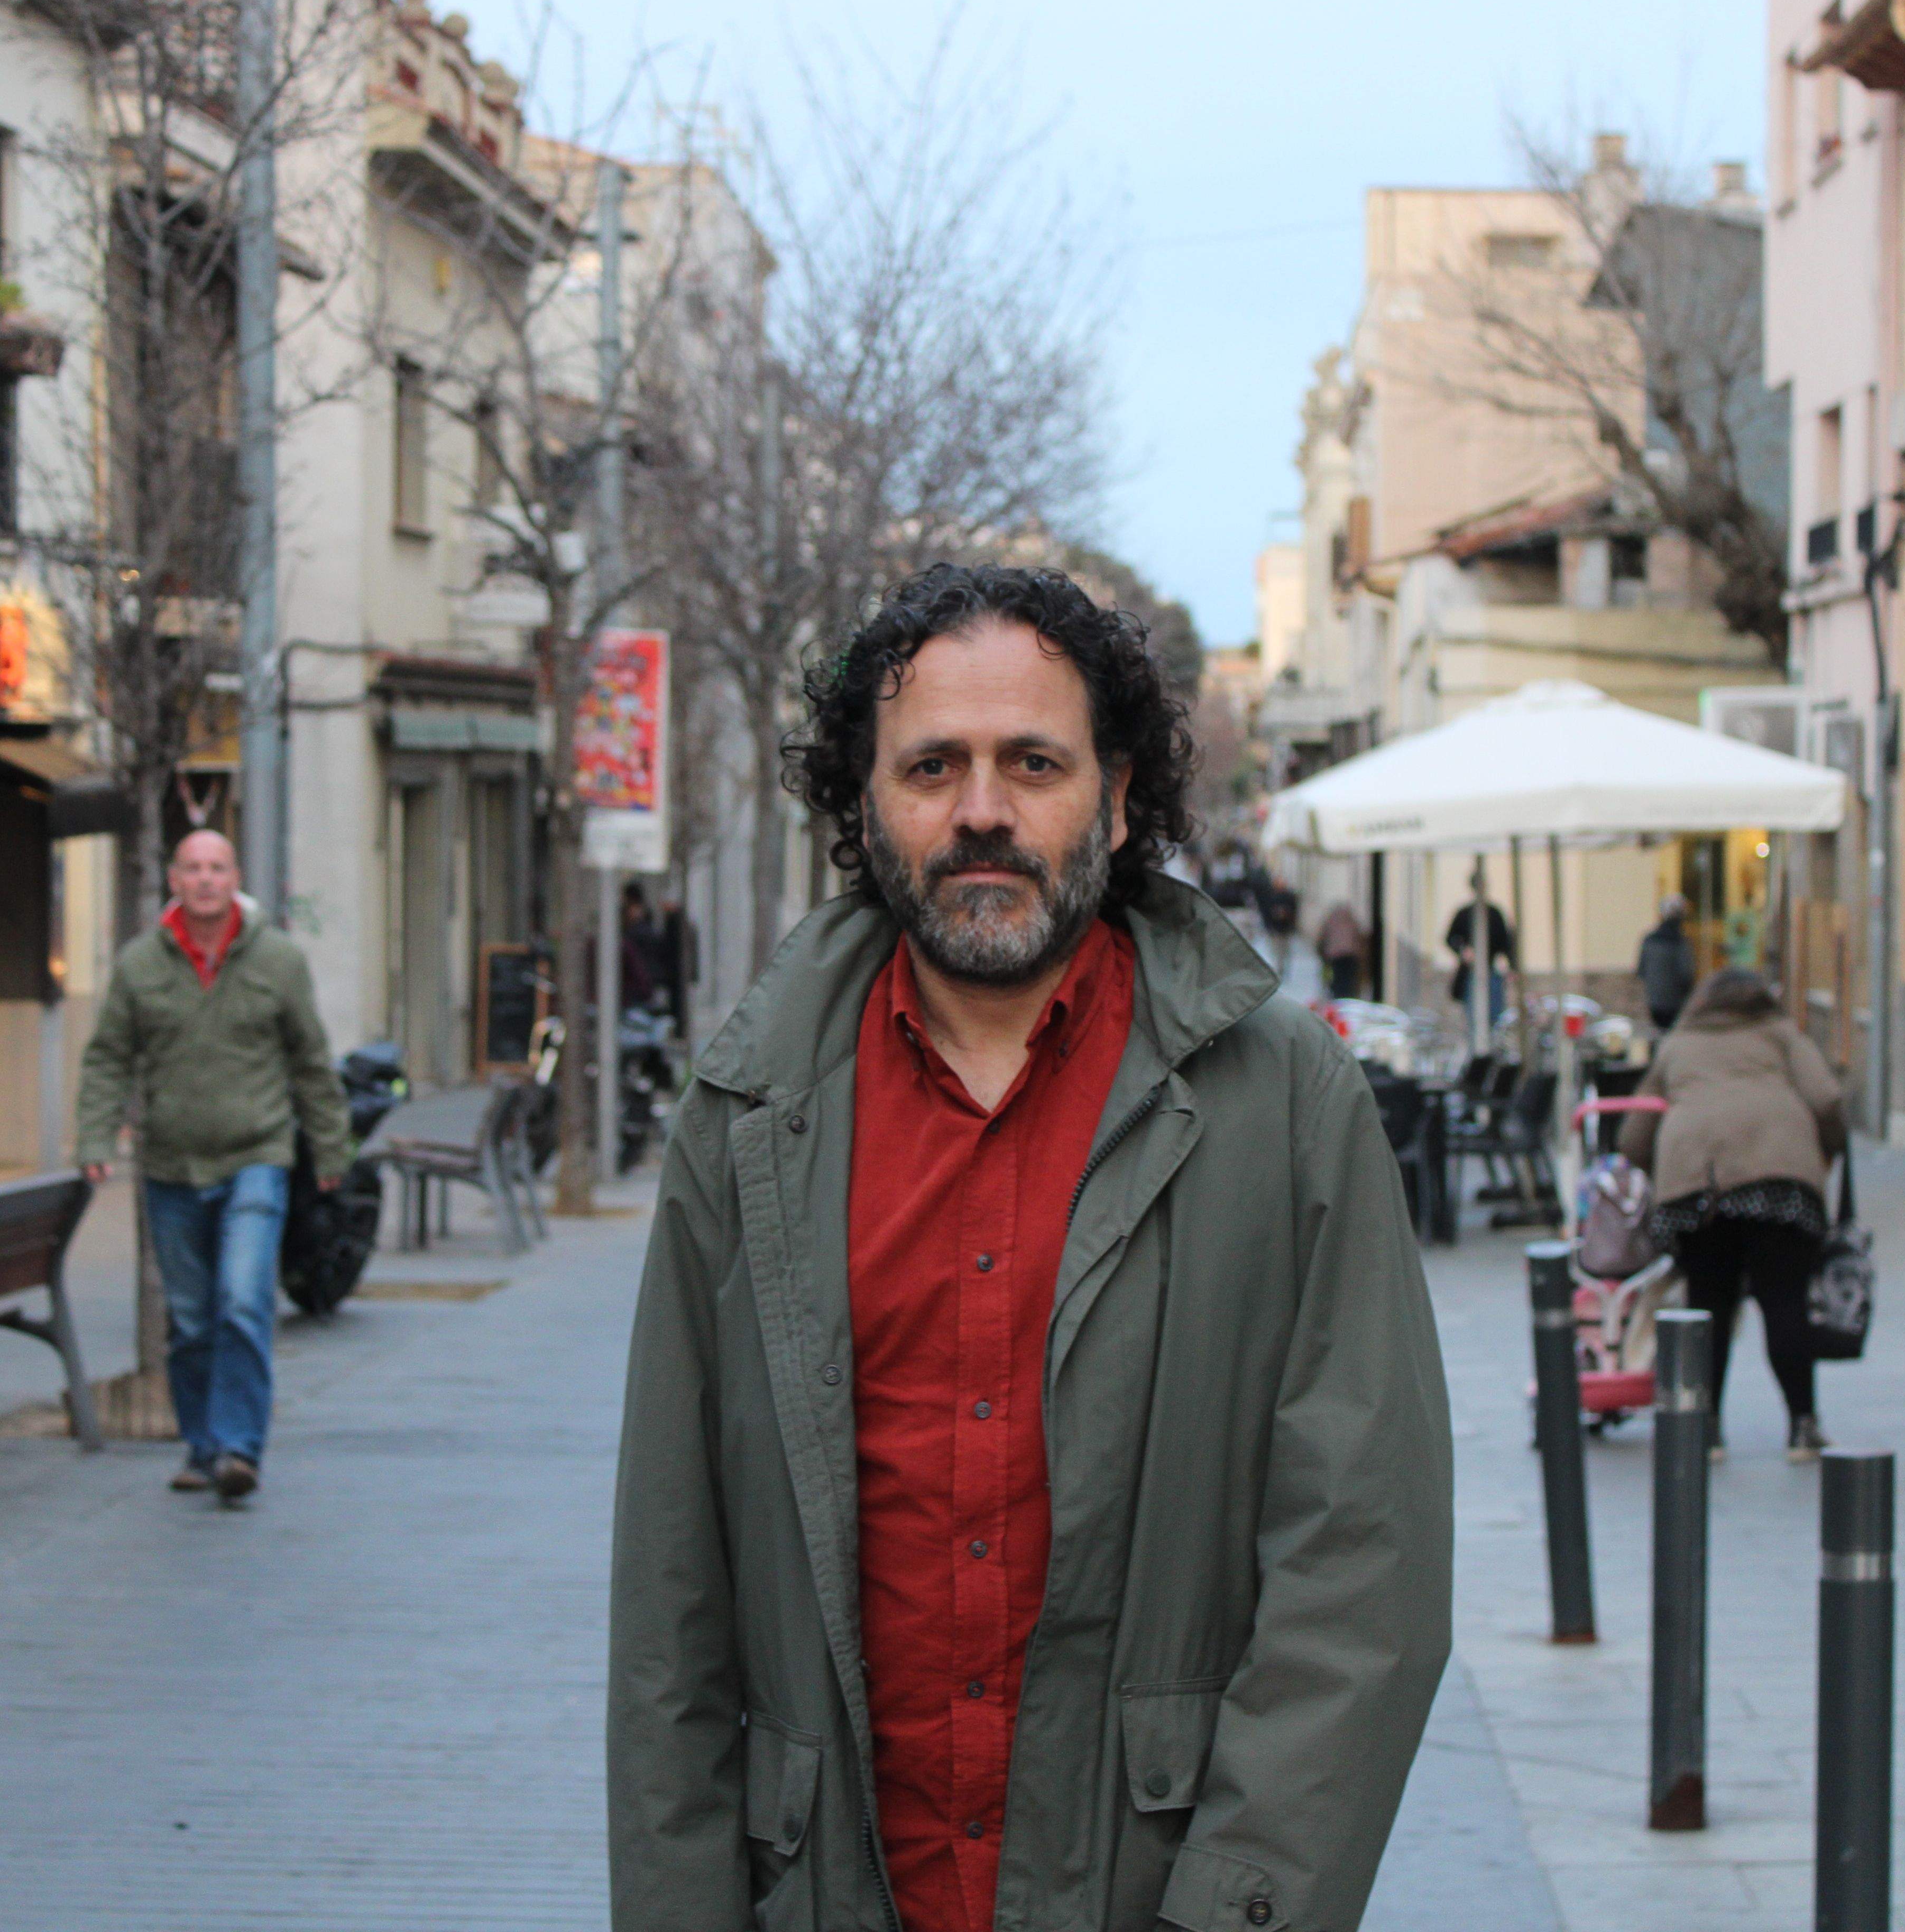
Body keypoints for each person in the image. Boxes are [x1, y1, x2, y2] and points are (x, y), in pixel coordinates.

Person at [608, 564, 1453, 1932]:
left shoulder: (1286, 1105)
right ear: (864, 803)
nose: (983, 810)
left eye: (1034, 763)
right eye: (932, 765)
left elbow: (1365, 1573)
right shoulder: (748, 1114)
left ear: (1120, 801)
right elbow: (670, 1605)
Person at [75, 829, 351, 1506]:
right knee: (194, 1317)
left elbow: (310, 1058)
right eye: (193, 868)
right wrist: (96, 1137)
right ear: (173, 877)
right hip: (171, 1164)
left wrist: (331, 1145)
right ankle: (202, 1445)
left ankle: (238, 1448)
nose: (204, 879)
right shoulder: (141, 965)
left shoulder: (278, 961)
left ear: (236, 877)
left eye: (217, 867)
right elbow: (109, 1055)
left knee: (243, 1299)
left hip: (256, 1156)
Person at [1618, 968, 1846, 1464]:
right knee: (1785, 1302)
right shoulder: (1782, 1034)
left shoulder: (1680, 1044)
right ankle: (1803, 1427)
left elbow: (1633, 1136)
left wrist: (1661, 1171)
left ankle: (1708, 1429)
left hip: (1699, 1187)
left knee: (1709, 1307)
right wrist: (1827, 1152)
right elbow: (1827, 1098)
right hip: (1781, 1180)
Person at [1443, 895, 1515, 1035]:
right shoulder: (1465, 913)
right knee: (1474, 1016)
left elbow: (1506, 943)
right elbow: (1451, 938)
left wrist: (1512, 968)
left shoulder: (1493, 913)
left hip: (1490, 970)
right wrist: (1463, 951)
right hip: (1470, 972)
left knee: (1494, 1016)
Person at [1636, 895, 1698, 1033]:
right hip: (1676, 1003)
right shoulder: (1681, 942)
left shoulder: (1649, 941)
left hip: (1654, 1003)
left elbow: (1641, 971)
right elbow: (1687, 974)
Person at [1316, 898, 1367, 1001]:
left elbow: (1322, 938)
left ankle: (1338, 998)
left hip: (1335, 956)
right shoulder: (1351, 921)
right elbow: (1359, 937)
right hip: (1351, 956)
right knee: (1349, 978)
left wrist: (1322, 954)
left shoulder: (1330, 921)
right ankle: (1348, 997)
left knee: (1337, 978)